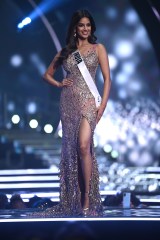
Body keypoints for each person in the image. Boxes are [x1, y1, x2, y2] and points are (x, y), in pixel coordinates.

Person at [30, 9, 111, 218]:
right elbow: (46, 74)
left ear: (91, 27)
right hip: (68, 104)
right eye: (81, 25)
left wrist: (101, 107)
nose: (85, 29)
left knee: (84, 146)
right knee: (71, 151)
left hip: (89, 103)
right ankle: (72, 199)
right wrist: (58, 83)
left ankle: (86, 198)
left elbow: (108, 80)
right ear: (75, 28)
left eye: (88, 25)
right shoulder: (66, 52)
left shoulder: (98, 48)